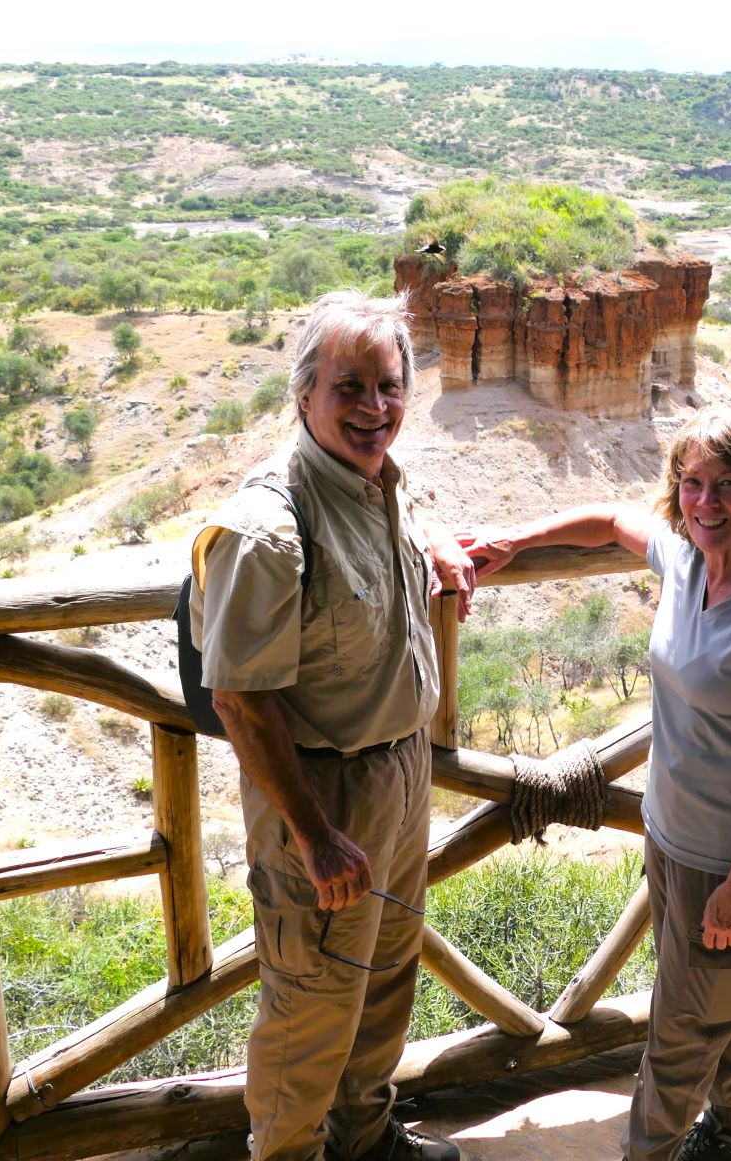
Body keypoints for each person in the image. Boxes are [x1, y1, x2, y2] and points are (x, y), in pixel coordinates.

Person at [461, 407, 731, 1161]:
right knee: (713, 1008)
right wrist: (511, 541)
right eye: (691, 484)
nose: (705, 503)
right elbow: (607, 519)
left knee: (676, 1042)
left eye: (727, 486)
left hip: (728, 860)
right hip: (669, 838)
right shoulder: (689, 559)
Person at [188, 291, 473, 1161]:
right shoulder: (269, 528)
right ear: (305, 393)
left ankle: (368, 1136)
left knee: (386, 978)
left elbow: (373, 578)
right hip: (322, 795)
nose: (373, 407)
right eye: (348, 386)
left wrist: (438, 553)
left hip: (400, 773)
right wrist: (314, 835)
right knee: (312, 1002)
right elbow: (240, 697)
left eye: (388, 386)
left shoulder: (379, 484)